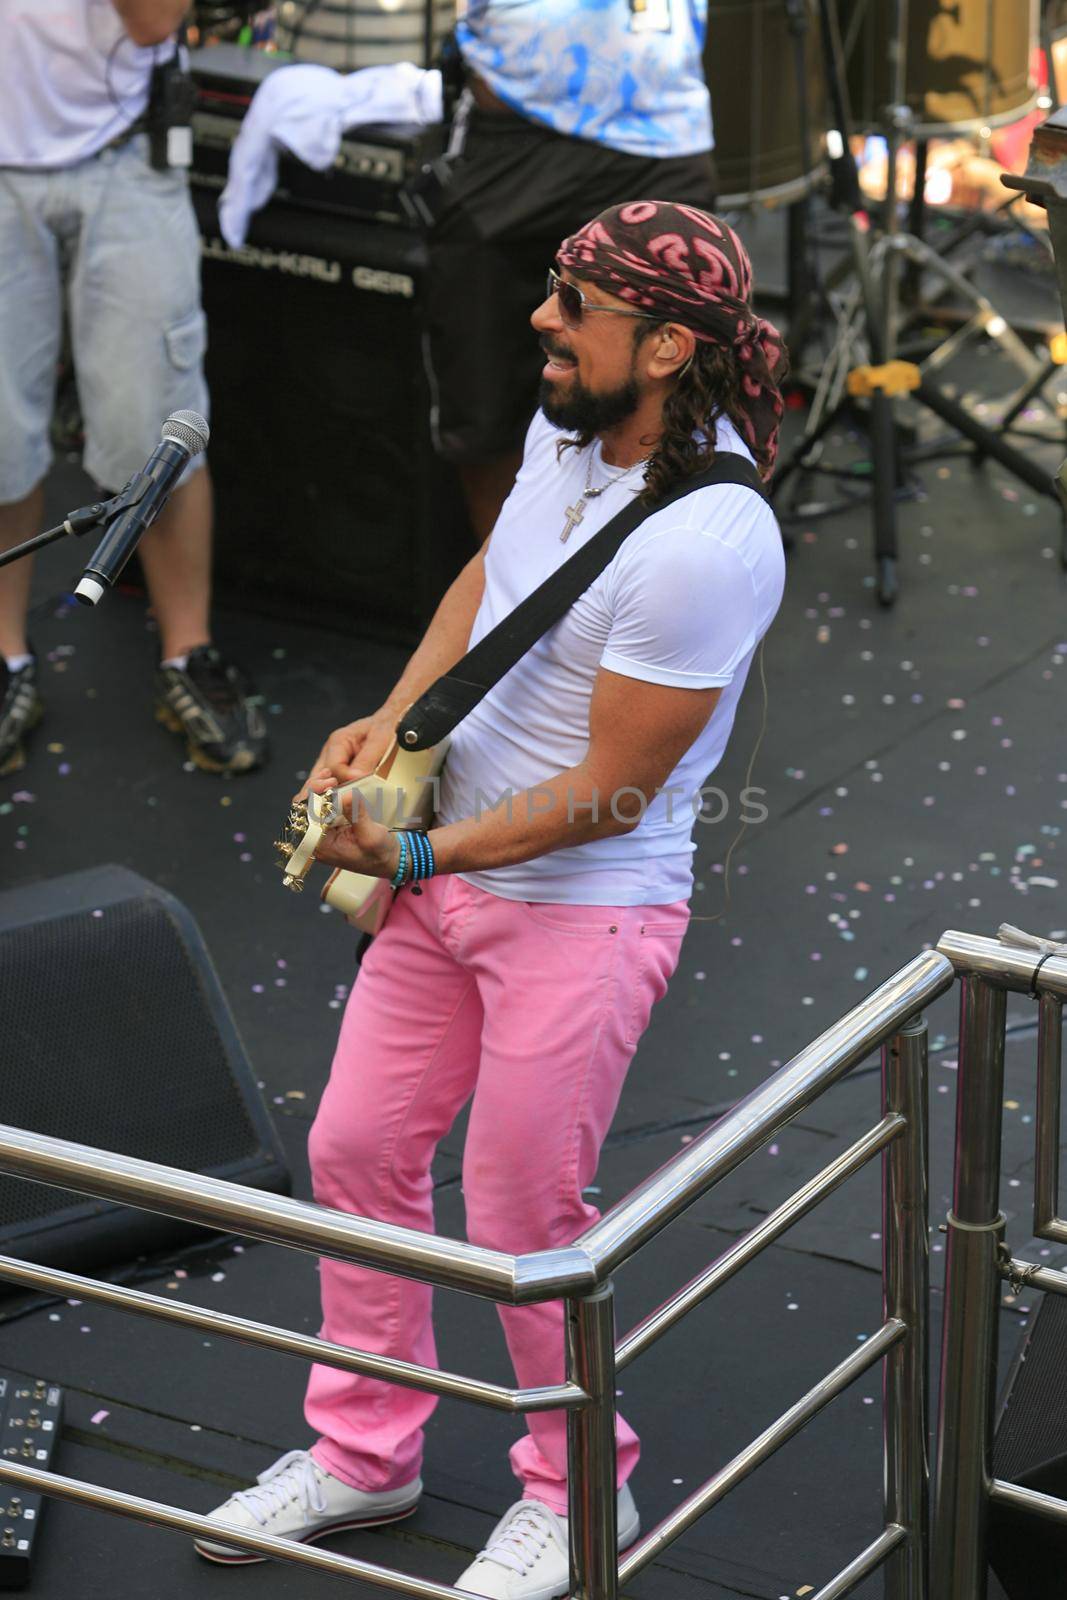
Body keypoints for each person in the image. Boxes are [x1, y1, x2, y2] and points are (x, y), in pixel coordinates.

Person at [195, 201, 786, 1598]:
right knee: (354, 1155)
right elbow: (494, 578)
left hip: (583, 912)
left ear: (663, 344)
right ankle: (365, 1454)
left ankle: (582, 1491)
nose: (539, 316)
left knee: (523, 1214)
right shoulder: (564, 429)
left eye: (573, 300)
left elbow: (613, 791)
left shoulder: (709, 540)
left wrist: (408, 857)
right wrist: (393, 721)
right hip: (448, 874)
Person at [0, 0, 267, 778]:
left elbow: (153, 21)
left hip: (125, 154)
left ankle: (189, 652)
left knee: (157, 431)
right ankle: (5, 657)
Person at [427, 0, 719, 542]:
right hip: (513, 130)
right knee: (482, 390)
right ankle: (507, 597)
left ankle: (647, 573)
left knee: (672, 388)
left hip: (659, 127)